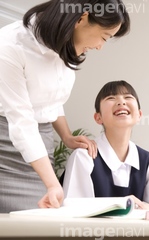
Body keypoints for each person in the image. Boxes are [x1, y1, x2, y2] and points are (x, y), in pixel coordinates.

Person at [0, 0, 130, 213]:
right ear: (82, 18)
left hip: (41, 145)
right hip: (6, 144)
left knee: (40, 219)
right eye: (104, 37)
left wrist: (67, 136)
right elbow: (21, 122)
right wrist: (52, 184)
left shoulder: (65, 42)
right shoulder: (10, 45)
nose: (100, 46)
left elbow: (50, 100)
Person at [62, 80, 149, 211]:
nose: (121, 102)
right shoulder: (83, 156)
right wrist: (123, 204)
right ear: (98, 118)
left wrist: (142, 207)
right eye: (111, 98)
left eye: (128, 97)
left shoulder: (145, 159)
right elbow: (72, 209)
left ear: (139, 115)